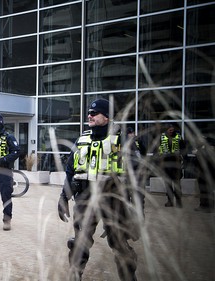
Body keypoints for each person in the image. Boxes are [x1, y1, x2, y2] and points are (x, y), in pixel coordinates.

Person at [58, 99, 140, 281]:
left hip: (114, 198)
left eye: (94, 113)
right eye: (89, 113)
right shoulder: (82, 139)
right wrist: (63, 196)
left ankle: (129, 276)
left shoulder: (122, 140)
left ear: (107, 117)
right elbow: (71, 171)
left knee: (118, 242)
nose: (89, 116)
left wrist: (138, 205)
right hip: (85, 196)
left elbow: (137, 174)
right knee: (80, 242)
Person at [158, 124, 186, 208]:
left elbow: (183, 148)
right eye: (170, 130)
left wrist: (184, 160)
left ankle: (179, 202)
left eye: (172, 130)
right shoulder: (162, 137)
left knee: (177, 184)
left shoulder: (178, 137)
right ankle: (170, 201)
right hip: (166, 164)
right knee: (168, 184)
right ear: (166, 130)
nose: (171, 131)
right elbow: (159, 149)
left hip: (176, 164)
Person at [125, 127, 147, 214]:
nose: (131, 135)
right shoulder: (123, 143)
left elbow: (144, 153)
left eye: (132, 133)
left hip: (137, 172)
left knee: (138, 197)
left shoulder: (138, 141)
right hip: (126, 172)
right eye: (129, 133)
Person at [193, 136, 215, 213]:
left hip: (209, 173)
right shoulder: (199, 148)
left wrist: (197, 152)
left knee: (209, 190)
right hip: (201, 173)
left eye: (200, 139)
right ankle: (202, 205)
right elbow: (197, 162)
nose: (198, 141)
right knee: (202, 190)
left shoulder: (210, 147)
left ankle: (210, 207)